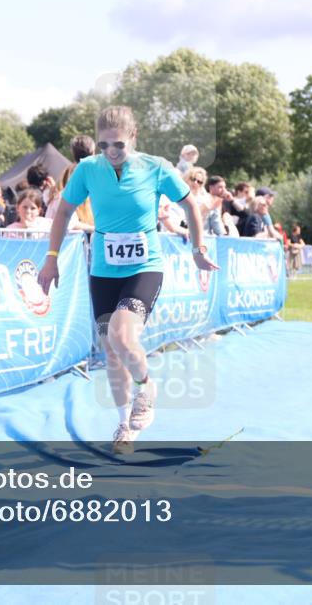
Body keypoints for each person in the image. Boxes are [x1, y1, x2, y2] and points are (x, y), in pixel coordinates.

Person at [37, 106, 218, 455]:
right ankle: (124, 424)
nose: (111, 153)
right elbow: (62, 211)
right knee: (111, 350)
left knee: (122, 333)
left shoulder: (156, 168)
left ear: (133, 137)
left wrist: (198, 248)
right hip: (103, 271)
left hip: (144, 267)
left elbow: (191, 207)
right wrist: (52, 257)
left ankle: (146, 386)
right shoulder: (88, 170)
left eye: (118, 144)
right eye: (103, 145)